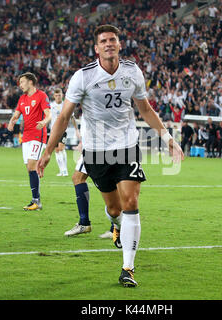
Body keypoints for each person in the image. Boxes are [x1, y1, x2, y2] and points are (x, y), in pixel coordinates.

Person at [37, 25, 184, 287]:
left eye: (112, 40)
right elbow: (63, 116)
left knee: (131, 201)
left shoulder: (132, 71)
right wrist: (48, 151)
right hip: (96, 151)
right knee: (114, 208)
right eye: (103, 41)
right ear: (96, 48)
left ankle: (128, 267)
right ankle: (115, 224)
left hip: (127, 147)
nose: (108, 44)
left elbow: (146, 109)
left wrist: (168, 139)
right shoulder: (83, 77)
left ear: (119, 44)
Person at [8, 72, 52, 211]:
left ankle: (36, 201)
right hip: (26, 136)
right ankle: (35, 199)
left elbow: (49, 114)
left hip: (37, 135)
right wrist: (11, 122)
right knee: (29, 168)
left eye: (22, 82)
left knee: (32, 166)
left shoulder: (41, 95)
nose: (20, 85)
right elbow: (16, 114)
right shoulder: (22, 99)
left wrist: (44, 122)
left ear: (30, 82)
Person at [49, 88, 80, 177]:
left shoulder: (65, 105)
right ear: (54, 96)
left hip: (63, 130)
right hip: (53, 131)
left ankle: (65, 170)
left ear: (62, 95)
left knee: (61, 148)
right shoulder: (51, 106)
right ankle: (61, 170)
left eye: (59, 95)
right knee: (57, 150)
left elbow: (72, 117)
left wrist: (76, 129)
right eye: (56, 95)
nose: (58, 97)